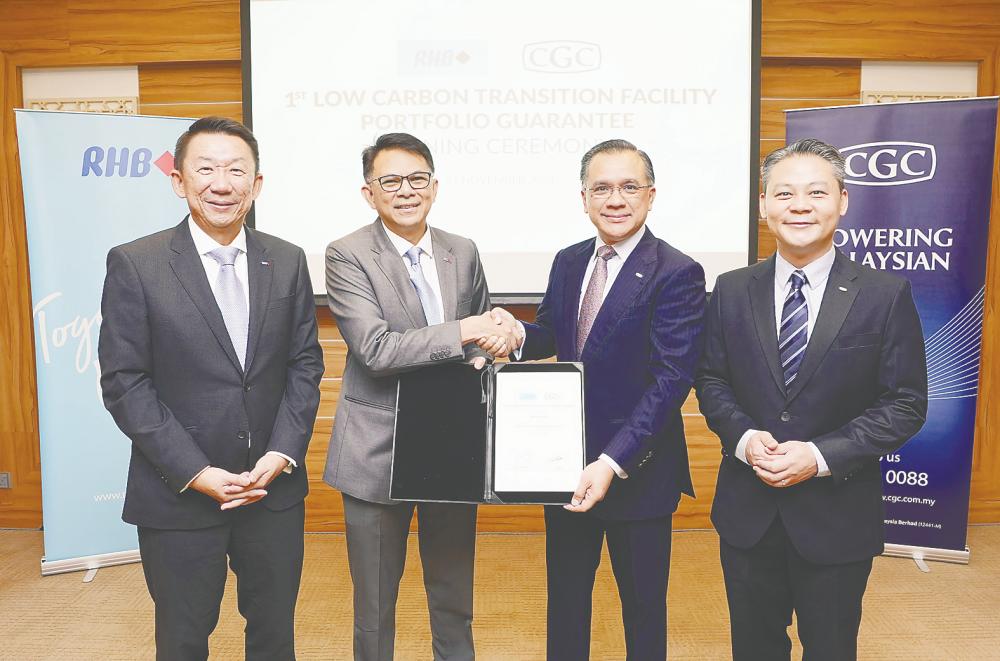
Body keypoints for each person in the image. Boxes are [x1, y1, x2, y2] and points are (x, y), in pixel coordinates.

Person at [98, 116, 324, 660]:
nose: (221, 183)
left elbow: (304, 364)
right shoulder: (137, 262)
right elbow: (125, 382)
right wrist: (195, 472)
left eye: (236, 169)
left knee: (274, 636)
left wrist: (283, 452)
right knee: (182, 639)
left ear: (257, 183)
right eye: (205, 169)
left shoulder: (287, 258)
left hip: (271, 490)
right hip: (178, 494)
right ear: (179, 181)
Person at [695, 138, 928, 660]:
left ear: (842, 201)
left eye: (816, 193)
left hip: (838, 513)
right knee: (753, 648)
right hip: (748, 513)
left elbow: (905, 404)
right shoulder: (731, 289)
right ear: (763, 206)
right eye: (784, 193)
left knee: (830, 648)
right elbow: (711, 381)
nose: (800, 205)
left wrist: (820, 456)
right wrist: (746, 438)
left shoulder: (884, 294)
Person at [493, 139, 706, 660]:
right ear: (584, 197)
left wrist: (612, 460)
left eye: (629, 187)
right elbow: (556, 335)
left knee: (642, 612)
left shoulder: (677, 272)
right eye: (602, 188)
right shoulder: (570, 261)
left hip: (637, 467)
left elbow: (671, 379)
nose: (616, 199)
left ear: (651, 196)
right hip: (562, 463)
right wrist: (515, 335)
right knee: (565, 604)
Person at [323, 132, 519, 661]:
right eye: (390, 181)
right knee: (375, 606)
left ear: (434, 186)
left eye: (416, 179)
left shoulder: (462, 249)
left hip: (452, 443)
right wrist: (468, 330)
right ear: (370, 193)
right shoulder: (347, 254)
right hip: (377, 450)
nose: (405, 191)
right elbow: (376, 350)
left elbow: (478, 343)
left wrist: (495, 340)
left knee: (454, 597)